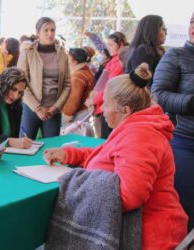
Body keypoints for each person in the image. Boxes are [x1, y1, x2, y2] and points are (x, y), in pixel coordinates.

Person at [44, 63, 188, 249]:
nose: (101, 109)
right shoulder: (135, 127)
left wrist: (76, 179)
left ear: (125, 110)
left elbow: (128, 195)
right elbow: (109, 155)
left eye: (106, 103)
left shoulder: (140, 135)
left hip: (148, 240)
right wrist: (70, 154)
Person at [151, 12, 194, 230]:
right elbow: (157, 94)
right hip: (184, 143)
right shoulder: (175, 56)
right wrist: (190, 102)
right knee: (186, 208)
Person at [17, 17, 71, 139]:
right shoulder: (27, 53)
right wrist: (38, 108)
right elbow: (20, 84)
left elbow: (67, 84)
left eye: (52, 30)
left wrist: (56, 107)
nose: (50, 33)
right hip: (31, 107)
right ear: (37, 33)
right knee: (24, 145)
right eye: (46, 30)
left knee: (51, 149)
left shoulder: (63, 54)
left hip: (53, 110)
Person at [90, 31, 128, 138]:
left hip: (109, 106)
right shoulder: (113, 61)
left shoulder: (117, 62)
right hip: (105, 105)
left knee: (105, 140)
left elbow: (110, 87)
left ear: (120, 45)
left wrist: (94, 100)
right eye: (108, 45)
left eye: (111, 45)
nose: (109, 48)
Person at [125, 14, 167, 87]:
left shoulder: (153, 50)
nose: (166, 33)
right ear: (152, 31)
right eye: (163, 29)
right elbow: (143, 82)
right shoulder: (143, 51)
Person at [62, 48, 94, 128]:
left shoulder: (78, 76)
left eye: (68, 59)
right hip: (84, 111)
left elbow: (73, 100)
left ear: (75, 62)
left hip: (78, 113)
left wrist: (66, 115)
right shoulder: (85, 71)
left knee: (73, 137)